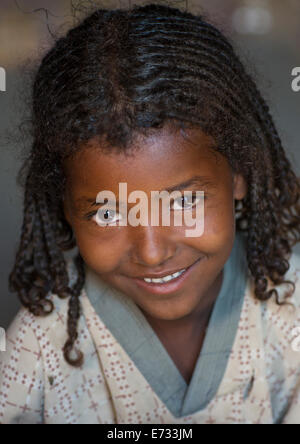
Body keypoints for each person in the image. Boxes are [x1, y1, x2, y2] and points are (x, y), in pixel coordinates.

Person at [0, 3, 300, 424]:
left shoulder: (292, 315)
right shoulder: (38, 349)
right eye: (108, 214)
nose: (153, 252)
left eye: (183, 202)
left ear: (239, 174)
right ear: (65, 207)